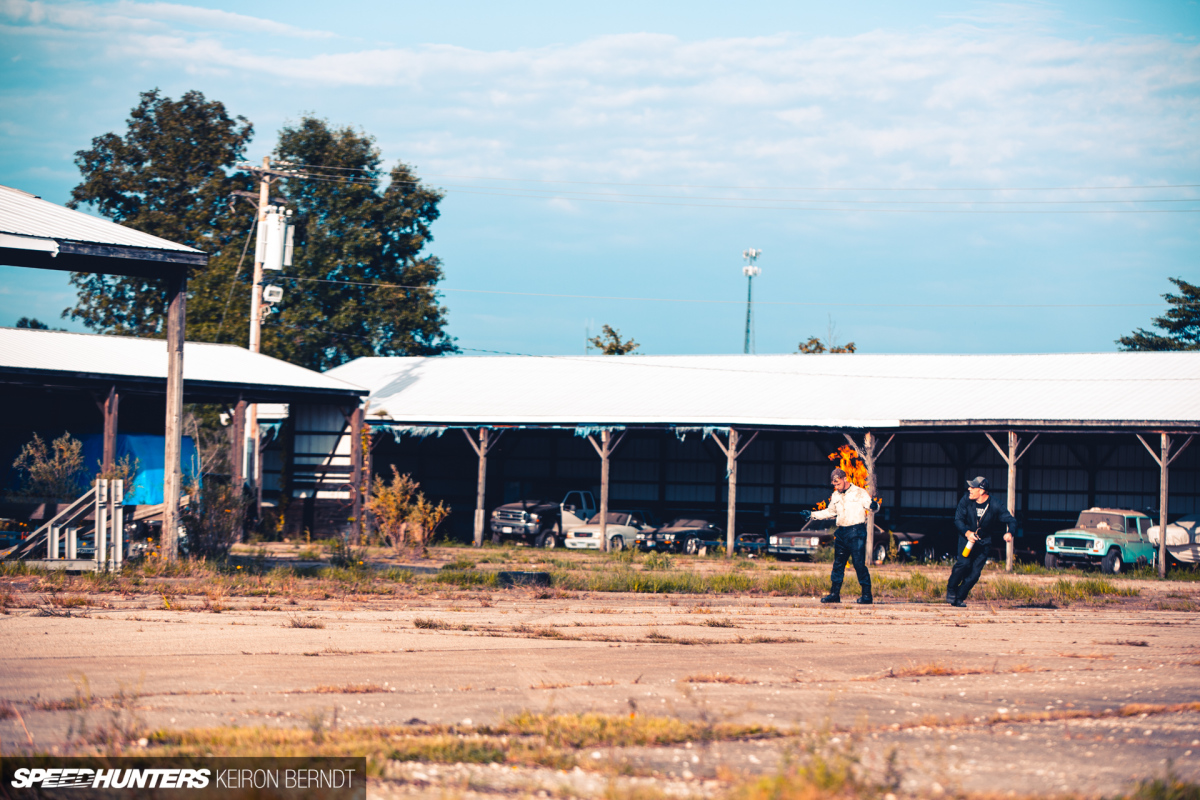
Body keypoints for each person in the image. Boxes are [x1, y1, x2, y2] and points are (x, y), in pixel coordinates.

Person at [803, 467, 880, 604]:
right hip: (842, 532)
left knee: (858, 564)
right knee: (838, 564)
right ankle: (834, 594)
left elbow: (871, 506)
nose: (837, 487)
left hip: (856, 532)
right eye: (834, 485)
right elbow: (830, 512)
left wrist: (874, 506)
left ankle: (867, 595)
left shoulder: (859, 492)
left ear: (845, 479)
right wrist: (812, 514)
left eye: (838, 483)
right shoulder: (835, 496)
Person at [946, 476, 1017, 607]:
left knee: (974, 574)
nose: (969, 489)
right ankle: (951, 590)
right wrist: (967, 533)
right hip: (966, 539)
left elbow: (1011, 520)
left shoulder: (995, 505)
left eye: (973, 487)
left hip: (983, 542)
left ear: (982, 491)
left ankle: (959, 597)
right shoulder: (966, 500)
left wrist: (1010, 532)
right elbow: (958, 520)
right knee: (963, 564)